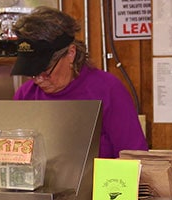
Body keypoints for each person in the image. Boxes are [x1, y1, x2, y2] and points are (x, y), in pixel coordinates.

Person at [10, 7, 148, 159]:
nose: (38, 80)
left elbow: (134, 157)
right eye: (32, 73)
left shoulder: (108, 90)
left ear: (71, 53)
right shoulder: (26, 95)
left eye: (45, 71)